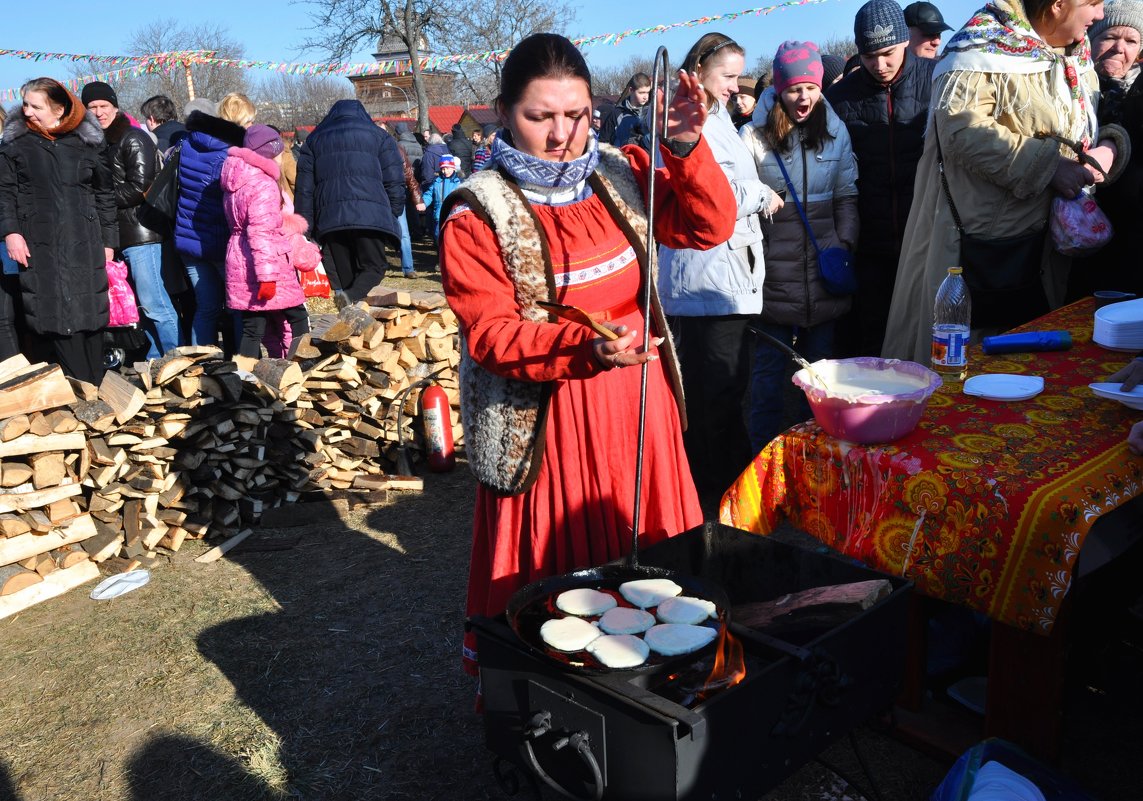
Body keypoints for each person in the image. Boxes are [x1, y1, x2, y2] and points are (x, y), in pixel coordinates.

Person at [439, 32, 734, 675]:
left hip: (638, 411)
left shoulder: (618, 174)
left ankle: (664, 681)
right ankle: (564, 708)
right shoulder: (476, 213)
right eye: (539, 117)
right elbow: (491, 335)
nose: (560, 135)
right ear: (503, 111)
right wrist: (584, 346)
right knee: (561, 594)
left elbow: (708, 227)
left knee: (657, 576)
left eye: (575, 115)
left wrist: (685, 147)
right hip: (550, 423)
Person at [882, 0, 1131, 363]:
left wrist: (1109, 144)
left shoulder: (1075, 55)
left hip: (1047, 253)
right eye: (1092, 3)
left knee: (1031, 368)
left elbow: (1093, 116)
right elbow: (960, 128)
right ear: (1058, 5)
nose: (1099, 16)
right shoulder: (980, 48)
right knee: (972, 367)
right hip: (982, 254)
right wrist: (1049, 167)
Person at [658, 32, 778, 497]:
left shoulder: (720, 119)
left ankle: (723, 490)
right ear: (699, 70)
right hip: (708, 279)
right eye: (726, 76)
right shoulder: (694, 124)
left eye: (737, 76)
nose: (734, 85)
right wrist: (761, 194)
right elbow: (709, 195)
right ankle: (719, 495)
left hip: (726, 274)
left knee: (723, 392)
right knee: (715, 396)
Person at [740, 41, 860, 452]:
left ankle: (817, 459)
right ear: (779, 89)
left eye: (810, 86)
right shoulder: (752, 137)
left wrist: (844, 241)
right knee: (769, 378)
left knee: (823, 381)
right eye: (794, 88)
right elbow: (741, 201)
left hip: (824, 276)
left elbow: (847, 194)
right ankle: (761, 461)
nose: (803, 96)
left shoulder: (836, 129)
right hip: (775, 279)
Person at [826, 0, 936, 357]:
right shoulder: (840, 97)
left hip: (924, 234)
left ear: (905, 40)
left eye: (887, 52)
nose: (879, 64)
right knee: (871, 335)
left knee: (926, 332)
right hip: (868, 241)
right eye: (869, 55)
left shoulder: (937, 79)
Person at [0, 78, 117, 384]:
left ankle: (96, 387)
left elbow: (105, 194)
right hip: (39, 242)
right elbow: (4, 193)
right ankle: (82, 390)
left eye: (35, 106)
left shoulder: (87, 141)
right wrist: (11, 232)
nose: (27, 112)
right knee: (56, 316)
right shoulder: (15, 144)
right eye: (25, 103)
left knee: (91, 316)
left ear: (59, 109)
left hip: (85, 240)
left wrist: (109, 242)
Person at [82, 81, 181, 359]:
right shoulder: (96, 143)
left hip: (141, 232)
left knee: (155, 303)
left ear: (115, 106)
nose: (99, 112)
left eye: (104, 106)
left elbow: (140, 186)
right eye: (93, 107)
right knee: (140, 304)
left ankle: (178, 359)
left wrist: (98, 198)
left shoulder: (131, 138)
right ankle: (155, 359)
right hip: (119, 233)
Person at [295, 99, 406, 305]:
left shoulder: (314, 140)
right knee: (374, 267)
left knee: (345, 277)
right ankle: (352, 304)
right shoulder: (380, 137)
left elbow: (304, 189)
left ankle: (350, 305)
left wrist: (305, 227)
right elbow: (394, 179)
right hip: (370, 216)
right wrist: (392, 211)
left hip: (330, 219)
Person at [1069, 0, 1143, 300]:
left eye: (1131, 41)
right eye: (1110, 37)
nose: (1119, 48)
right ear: (1089, 38)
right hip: (1073, 239)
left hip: (1131, 243)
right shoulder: (1070, 87)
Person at [221, 125, 315, 359]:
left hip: (240, 257)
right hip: (266, 262)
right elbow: (261, 232)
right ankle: (303, 365)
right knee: (297, 316)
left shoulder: (235, 178)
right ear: (270, 153)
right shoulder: (263, 185)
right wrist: (267, 277)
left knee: (253, 327)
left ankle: (247, 381)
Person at [173, 106, 246, 349]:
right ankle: (239, 362)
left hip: (188, 239)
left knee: (206, 307)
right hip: (220, 241)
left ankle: (200, 364)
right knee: (237, 304)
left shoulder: (184, 145)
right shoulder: (229, 152)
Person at [600, 72, 652, 145]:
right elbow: (603, 141)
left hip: (646, 155)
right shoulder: (617, 113)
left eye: (647, 92)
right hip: (621, 154)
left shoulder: (651, 113)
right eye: (641, 93)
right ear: (631, 90)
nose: (645, 97)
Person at [423, 154, 462, 239]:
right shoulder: (436, 181)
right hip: (438, 215)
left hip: (453, 216)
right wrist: (424, 203)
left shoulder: (459, 182)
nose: (445, 171)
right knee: (438, 237)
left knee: (451, 239)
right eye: (443, 169)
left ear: (453, 168)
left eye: (447, 168)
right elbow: (429, 194)